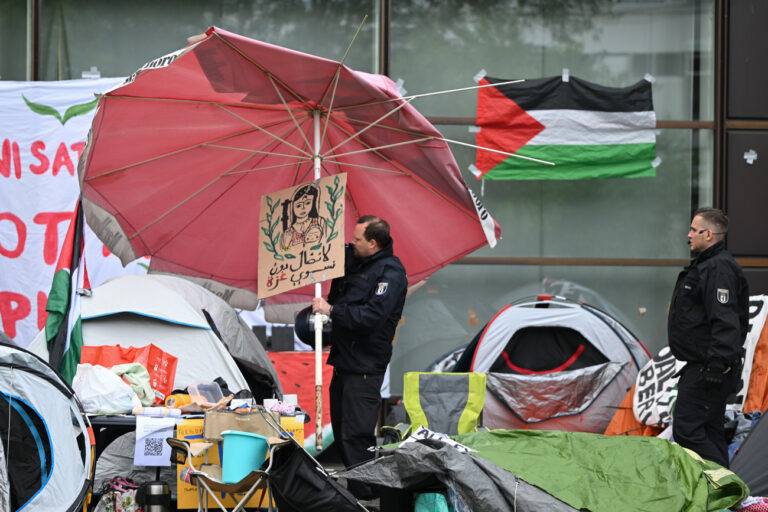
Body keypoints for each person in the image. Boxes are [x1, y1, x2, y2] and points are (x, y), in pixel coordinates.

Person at [311, 215, 407, 500]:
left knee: (357, 435)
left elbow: (371, 317)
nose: (351, 243)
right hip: (343, 362)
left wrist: (332, 311)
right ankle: (357, 492)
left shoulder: (391, 273)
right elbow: (333, 254)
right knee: (342, 433)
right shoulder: (355, 260)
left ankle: (367, 498)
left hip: (365, 366)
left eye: (357, 240)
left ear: (373, 244)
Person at [668, 207, 749, 467]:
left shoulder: (718, 269)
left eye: (694, 229)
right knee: (711, 431)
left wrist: (716, 365)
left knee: (687, 431)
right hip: (704, 365)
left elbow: (725, 320)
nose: (689, 235)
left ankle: (727, 491)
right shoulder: (707, 265)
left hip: (709, 368)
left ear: (709, 234)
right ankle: (722, 498)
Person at [280, 183, 326, 251]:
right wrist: (286, 244)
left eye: (307, 203)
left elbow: (327, 243)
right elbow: (283, 254)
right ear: (292, 207)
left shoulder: (320, 222)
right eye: (298, 205)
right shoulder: (288, 232)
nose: (303, 208)